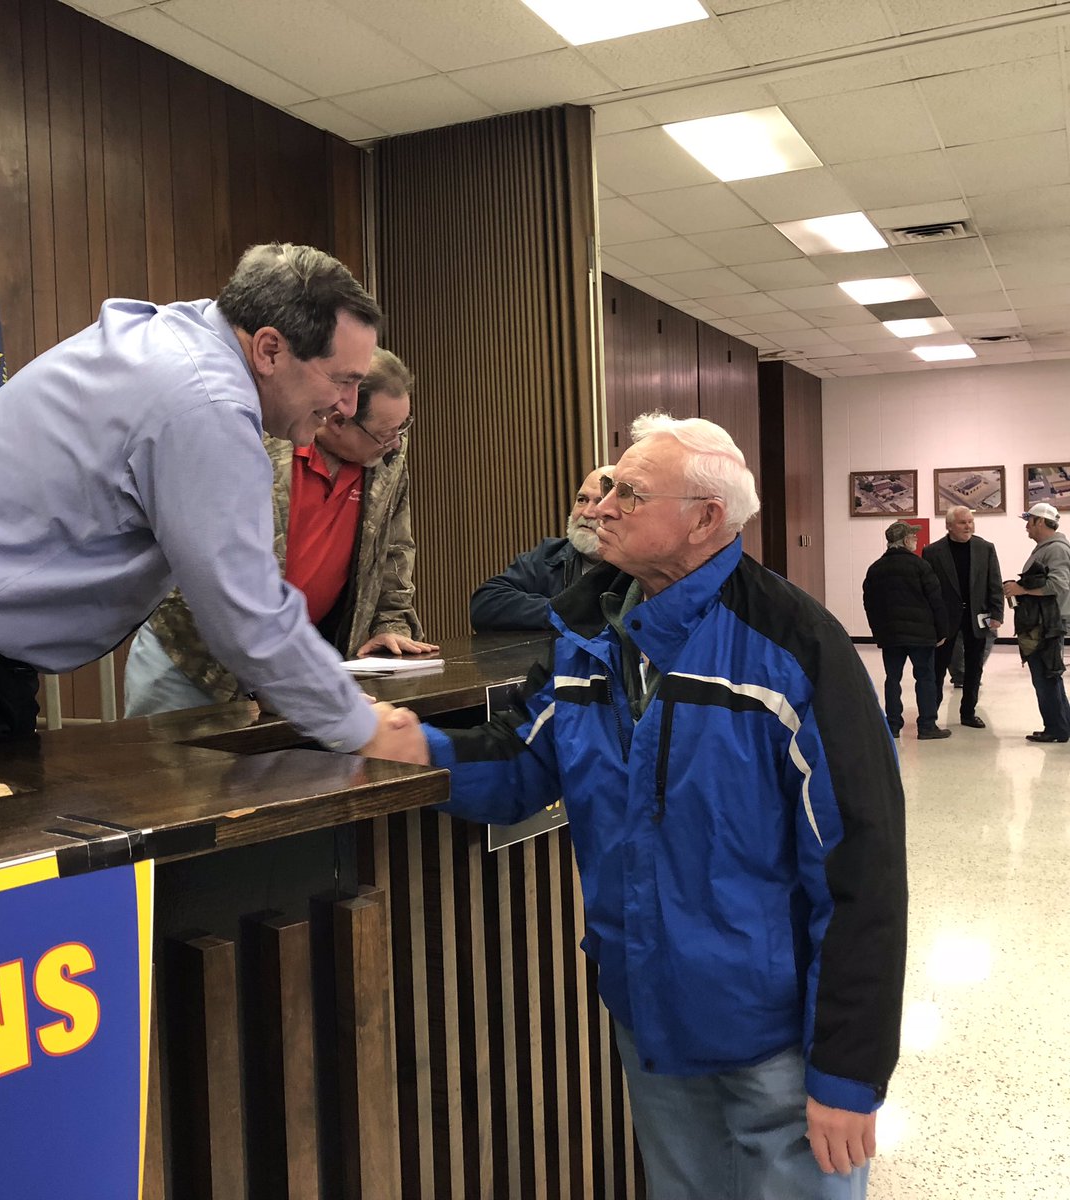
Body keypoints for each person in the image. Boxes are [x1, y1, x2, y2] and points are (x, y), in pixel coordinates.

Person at [376, 414, 907, 1199]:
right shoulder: (590, 634)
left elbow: (863, 867)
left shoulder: (796, 649)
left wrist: (849, 1071)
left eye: (631, 492)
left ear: (705, 520)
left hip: (774, 1045)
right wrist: (417, 747)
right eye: (610, 487)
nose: (603, 504)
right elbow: (526, 761)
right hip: (648, 1015)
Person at [0, 242, 418, 779]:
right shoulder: (208, 402)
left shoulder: (178, 336)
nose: (346, 405)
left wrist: (299, 690)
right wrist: (359, 727)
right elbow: (245, 610)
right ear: (270, 349)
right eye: (342, 379)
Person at [124, 347, 437, 716]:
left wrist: (389, 624)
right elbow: (206, 565)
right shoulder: (251, 438)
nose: (397, 443)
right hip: (192, 661)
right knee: (169, 771)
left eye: (402, 428)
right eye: (386, 433)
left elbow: (394, 550)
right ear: (338, 419)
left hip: (299, 663)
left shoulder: (384, 457)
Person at [469, 465, 612, 630]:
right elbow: (485, 604)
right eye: (582, 500)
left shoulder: (635, 566)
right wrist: (563, 612)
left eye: (599, 503)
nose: (587, 512)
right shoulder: (551, 555)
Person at [863, 521, 950, 740]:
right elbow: (936, 600)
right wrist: (942, 631)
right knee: (925, 678)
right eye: (913, 537)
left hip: (891, 635)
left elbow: (870, 604)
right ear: (904, 541)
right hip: (922, 635)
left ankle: (892, 726)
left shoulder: (875, 568)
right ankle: (927, 725)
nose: (916, 540)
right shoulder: (920, 566)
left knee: (893, 678)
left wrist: (878, 632)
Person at [922, 505, 1003, 729]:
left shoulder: (985, 548)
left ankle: (968, 713)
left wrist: (997, 613)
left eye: (970, 522)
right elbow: (928, 589)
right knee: (938, 667)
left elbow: (994, 582)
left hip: (978, 616)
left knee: (974, 667)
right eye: (962, 522)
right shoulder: (933, 552)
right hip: (946, 620)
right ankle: (930, 716)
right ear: (949, 526)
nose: (968, 526)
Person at [1003, 502, 1070, 743]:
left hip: (1047, 626)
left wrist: (1021, 589)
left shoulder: (1056, 550)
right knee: (1050, 676)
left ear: (1040, 521)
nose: (1026, 528)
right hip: (1044, 624)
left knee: (1045, 677)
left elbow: (1058, 585)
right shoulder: (1046, 548)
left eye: (1028, 522)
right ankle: (1062, 725)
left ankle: (1056, 729)